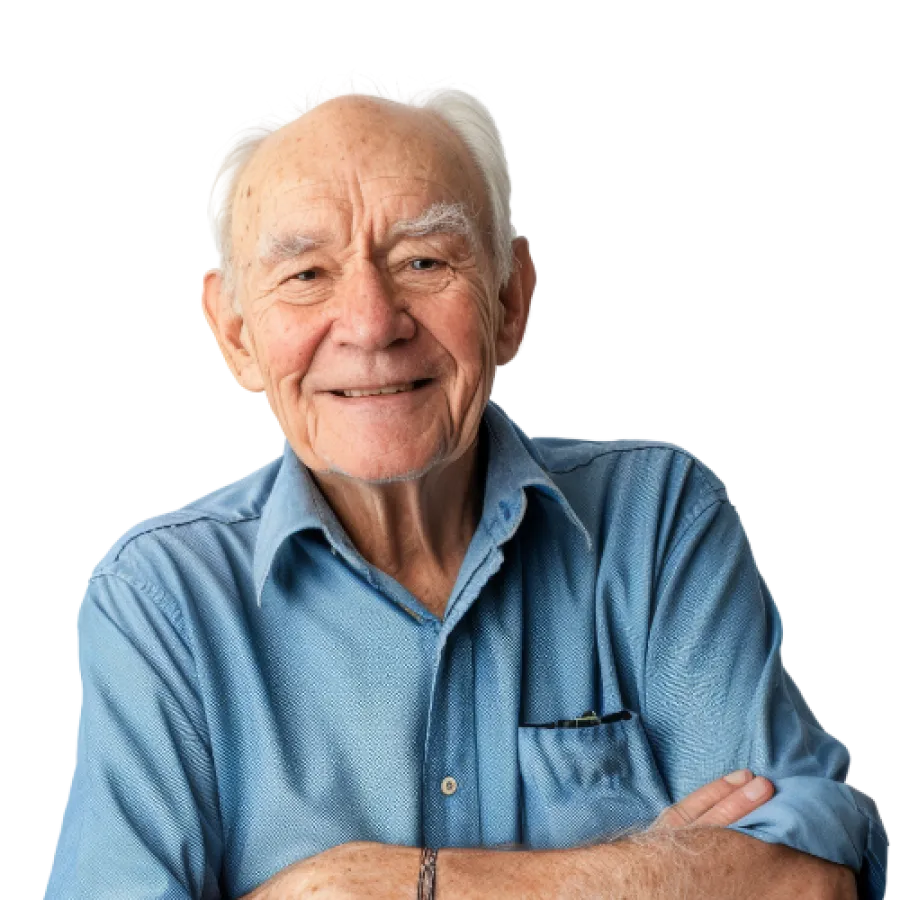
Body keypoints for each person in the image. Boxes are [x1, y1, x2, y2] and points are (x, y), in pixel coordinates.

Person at [44, 77, 885, 899]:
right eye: (307, 275)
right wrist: (657, 874)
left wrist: (393, 886)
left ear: (513, 299)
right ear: (233, 333)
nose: (372, 323)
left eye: (423, 259)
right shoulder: (162, 600)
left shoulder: (658, 519)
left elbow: (803, 881)